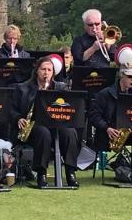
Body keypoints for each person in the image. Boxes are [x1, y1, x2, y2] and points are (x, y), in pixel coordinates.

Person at [11, 56, 80, 188]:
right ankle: (41, 173)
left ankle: (70, 172)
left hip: (57, 124)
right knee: (43, 133)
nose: (46, 73)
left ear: (53, 73)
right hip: (33, 126)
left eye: (49, 70)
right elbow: (12, 110)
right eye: (43, 69)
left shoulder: (61, 87)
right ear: (37, 71)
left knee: (70, 132)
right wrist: (18, 118)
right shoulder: (23, 88)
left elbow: (69, 107)